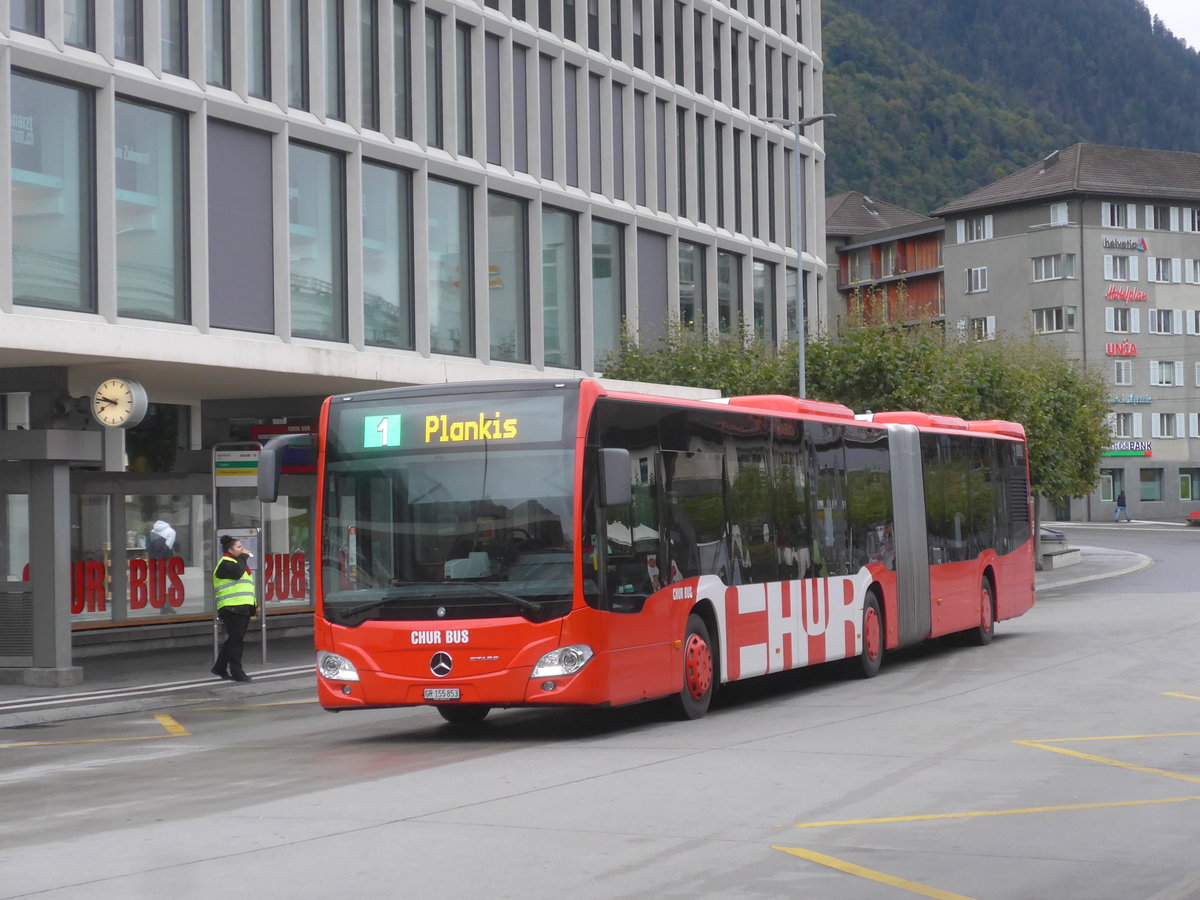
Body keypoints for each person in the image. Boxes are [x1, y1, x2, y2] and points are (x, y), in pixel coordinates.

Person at [211, 535, 256, 682]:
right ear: (230, 550)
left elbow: (246, 586)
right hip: (232, 607)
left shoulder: (238, 562)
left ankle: (219, 667)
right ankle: (237, 673)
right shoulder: (225, 563)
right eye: (238, 547)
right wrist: (244, 557)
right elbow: (237, 574)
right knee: (236, 642)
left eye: (242, 547)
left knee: (234, 640)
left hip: (241, 607)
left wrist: (254, 605)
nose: (242, 549)